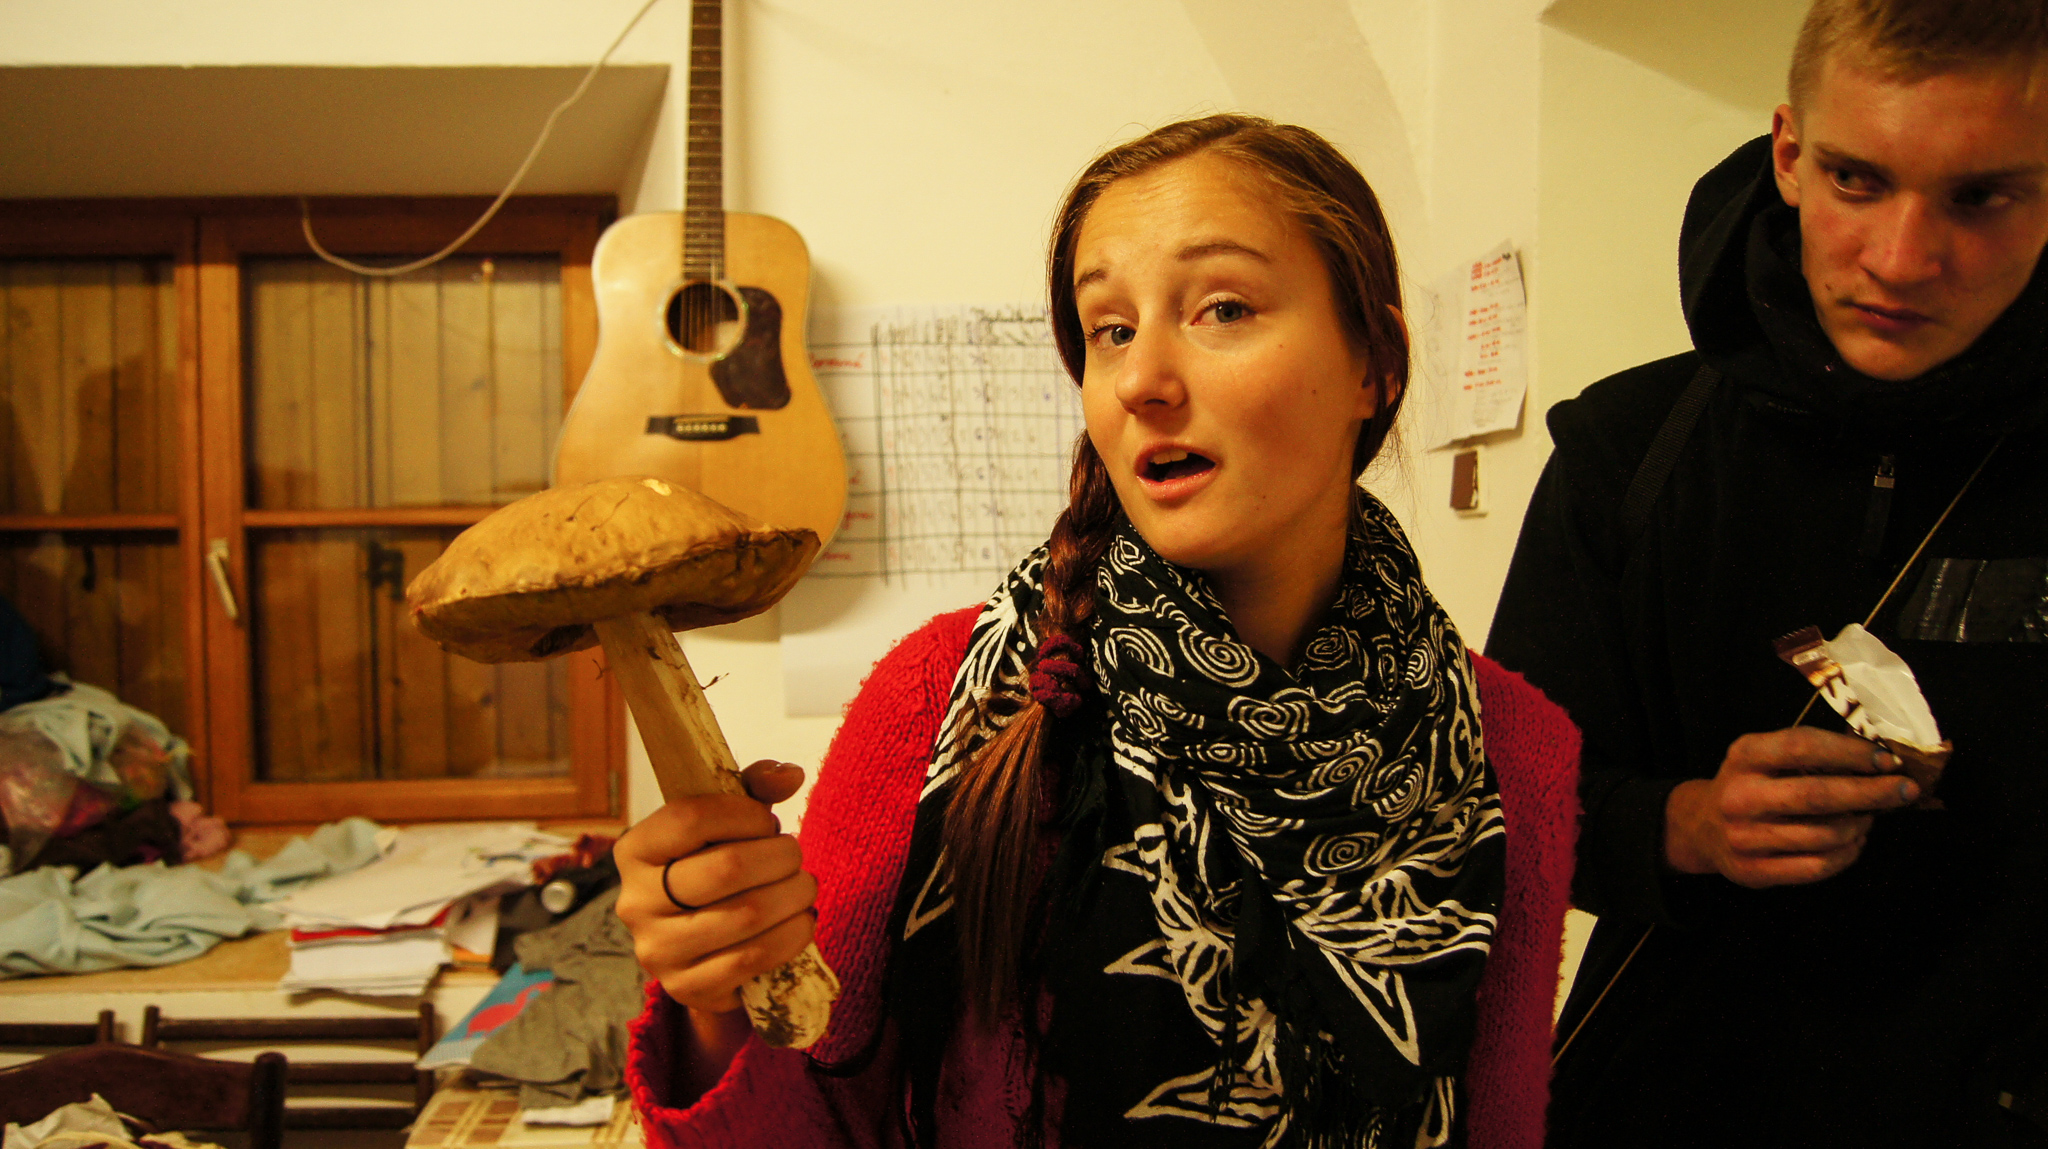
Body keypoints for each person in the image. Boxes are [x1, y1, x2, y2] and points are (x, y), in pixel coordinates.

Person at [616, 114, 1580, 1148]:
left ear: (1373, 364)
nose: (1138, 379)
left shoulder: (1513, 750)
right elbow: (813, 1117)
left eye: (1221, 308)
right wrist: (713, 994)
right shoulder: (943, 697)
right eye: (1109, 329)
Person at [1486, 2, 2048, 1145]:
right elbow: (1501, 813)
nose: (1898, 259)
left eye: (1979, 197)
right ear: (1787, 154)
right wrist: (1682, 826)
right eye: (1854, 179)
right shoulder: (1624, 450)